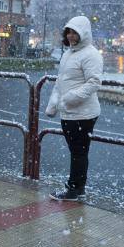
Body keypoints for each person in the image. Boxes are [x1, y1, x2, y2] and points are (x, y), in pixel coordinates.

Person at [45, 16, 103, 201]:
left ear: (83, 33)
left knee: (79, 152)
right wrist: (53, 104)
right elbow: (61, 82)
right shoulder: (69, 54)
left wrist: (70, 98)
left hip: (83, 113)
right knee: (76, 151)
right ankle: (77, 188)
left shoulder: (91, 54)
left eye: (74, 32)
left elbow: (94, 82)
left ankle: (75, 189)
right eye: (68, 32)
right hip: (69, 112)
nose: (70, 36)